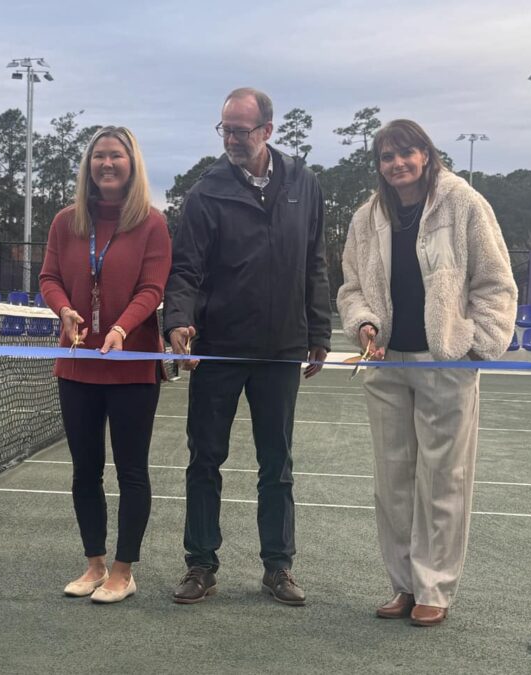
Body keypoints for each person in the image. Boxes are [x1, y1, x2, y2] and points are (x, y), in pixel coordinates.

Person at [337, 119, 516, 626]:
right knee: (393, 480)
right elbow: (352, 288)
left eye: (406, 153)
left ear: (426, 154)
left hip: (445, 363)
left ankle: (434, 586)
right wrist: (364, 322)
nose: (397, 164)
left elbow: (496, 283)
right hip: (386, 361)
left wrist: (475, 344)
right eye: (387, 157)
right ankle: (403, 585)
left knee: (443, 478)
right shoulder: (366, 217)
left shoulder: (464, 203)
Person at [164, 87, 331, 606]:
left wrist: (319, 334)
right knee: (204, 460)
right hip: (218, 350)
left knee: (277, 463)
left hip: (282, 350)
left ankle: (278, 567)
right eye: (225, 129)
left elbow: (314, 263)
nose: (232, 139)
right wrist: (178, 322)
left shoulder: (305, 184)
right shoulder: (204, 192)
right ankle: (200, 565)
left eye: (241, 130)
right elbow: (186, 269)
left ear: (267, 131)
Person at [39, 126, 171, 604]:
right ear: (88, 165)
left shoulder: (152, 223)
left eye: (116, 156)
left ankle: (123, 570)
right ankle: (94, 563)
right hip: (76, 366)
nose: (107, 164)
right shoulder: (65, 221)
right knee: (84, 470)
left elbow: (153, 289)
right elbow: (49, 276)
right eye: (99, 156)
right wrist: (64, 311)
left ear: (131, 163)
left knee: (131, 470)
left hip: (132, 366)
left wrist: (119, 329)